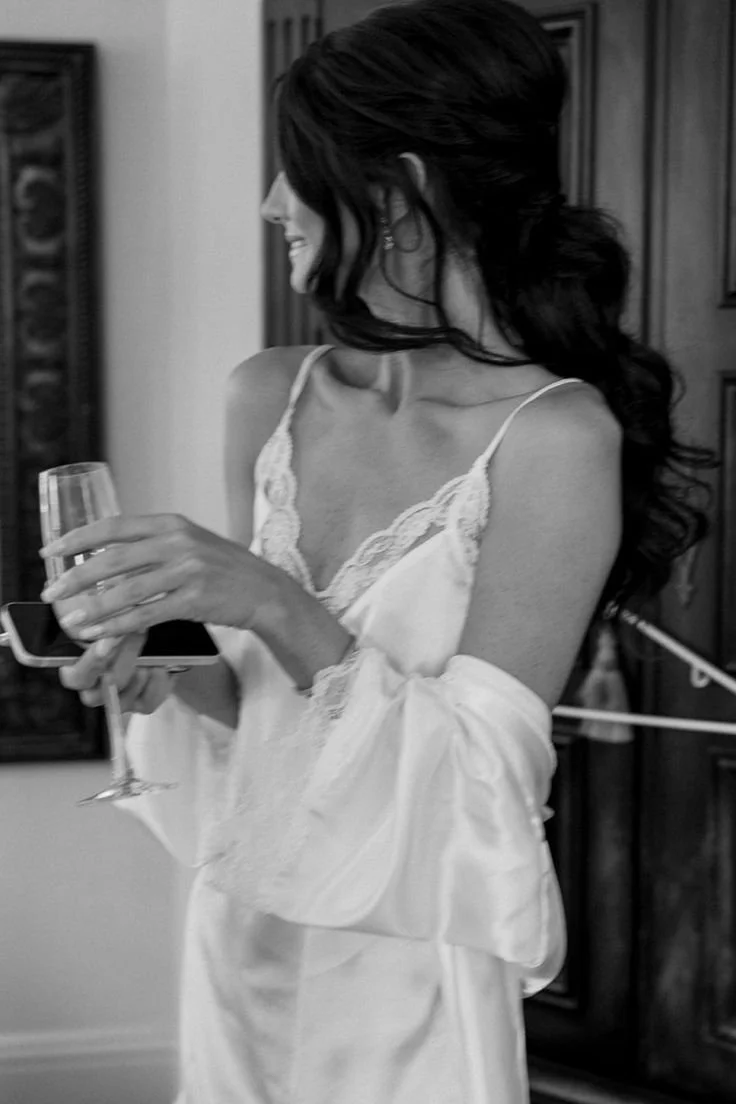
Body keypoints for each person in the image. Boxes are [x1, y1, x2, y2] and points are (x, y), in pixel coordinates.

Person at [41, 1, 715, 1101]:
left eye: (295, 169)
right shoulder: (267, 393)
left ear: (396, 193)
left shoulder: (552, 440)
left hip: (405, 968)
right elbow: (265, 707)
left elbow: (482, 789)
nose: (270, 203)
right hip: (242, 927)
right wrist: (158, 671)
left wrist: (269, 596)